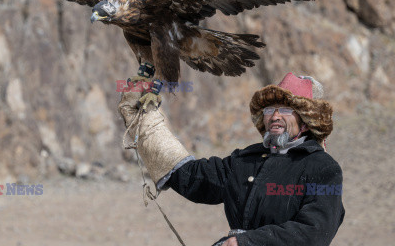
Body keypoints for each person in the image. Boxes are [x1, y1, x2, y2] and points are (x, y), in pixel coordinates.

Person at [118, 72, 345, 246]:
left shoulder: (323, 169)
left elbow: (315, 231)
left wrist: (247, 242)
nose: (275, 116)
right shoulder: (246, 161)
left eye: (285, 110)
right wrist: (148, 125)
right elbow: (193, 178)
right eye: (269, 110)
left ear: (305, 121)